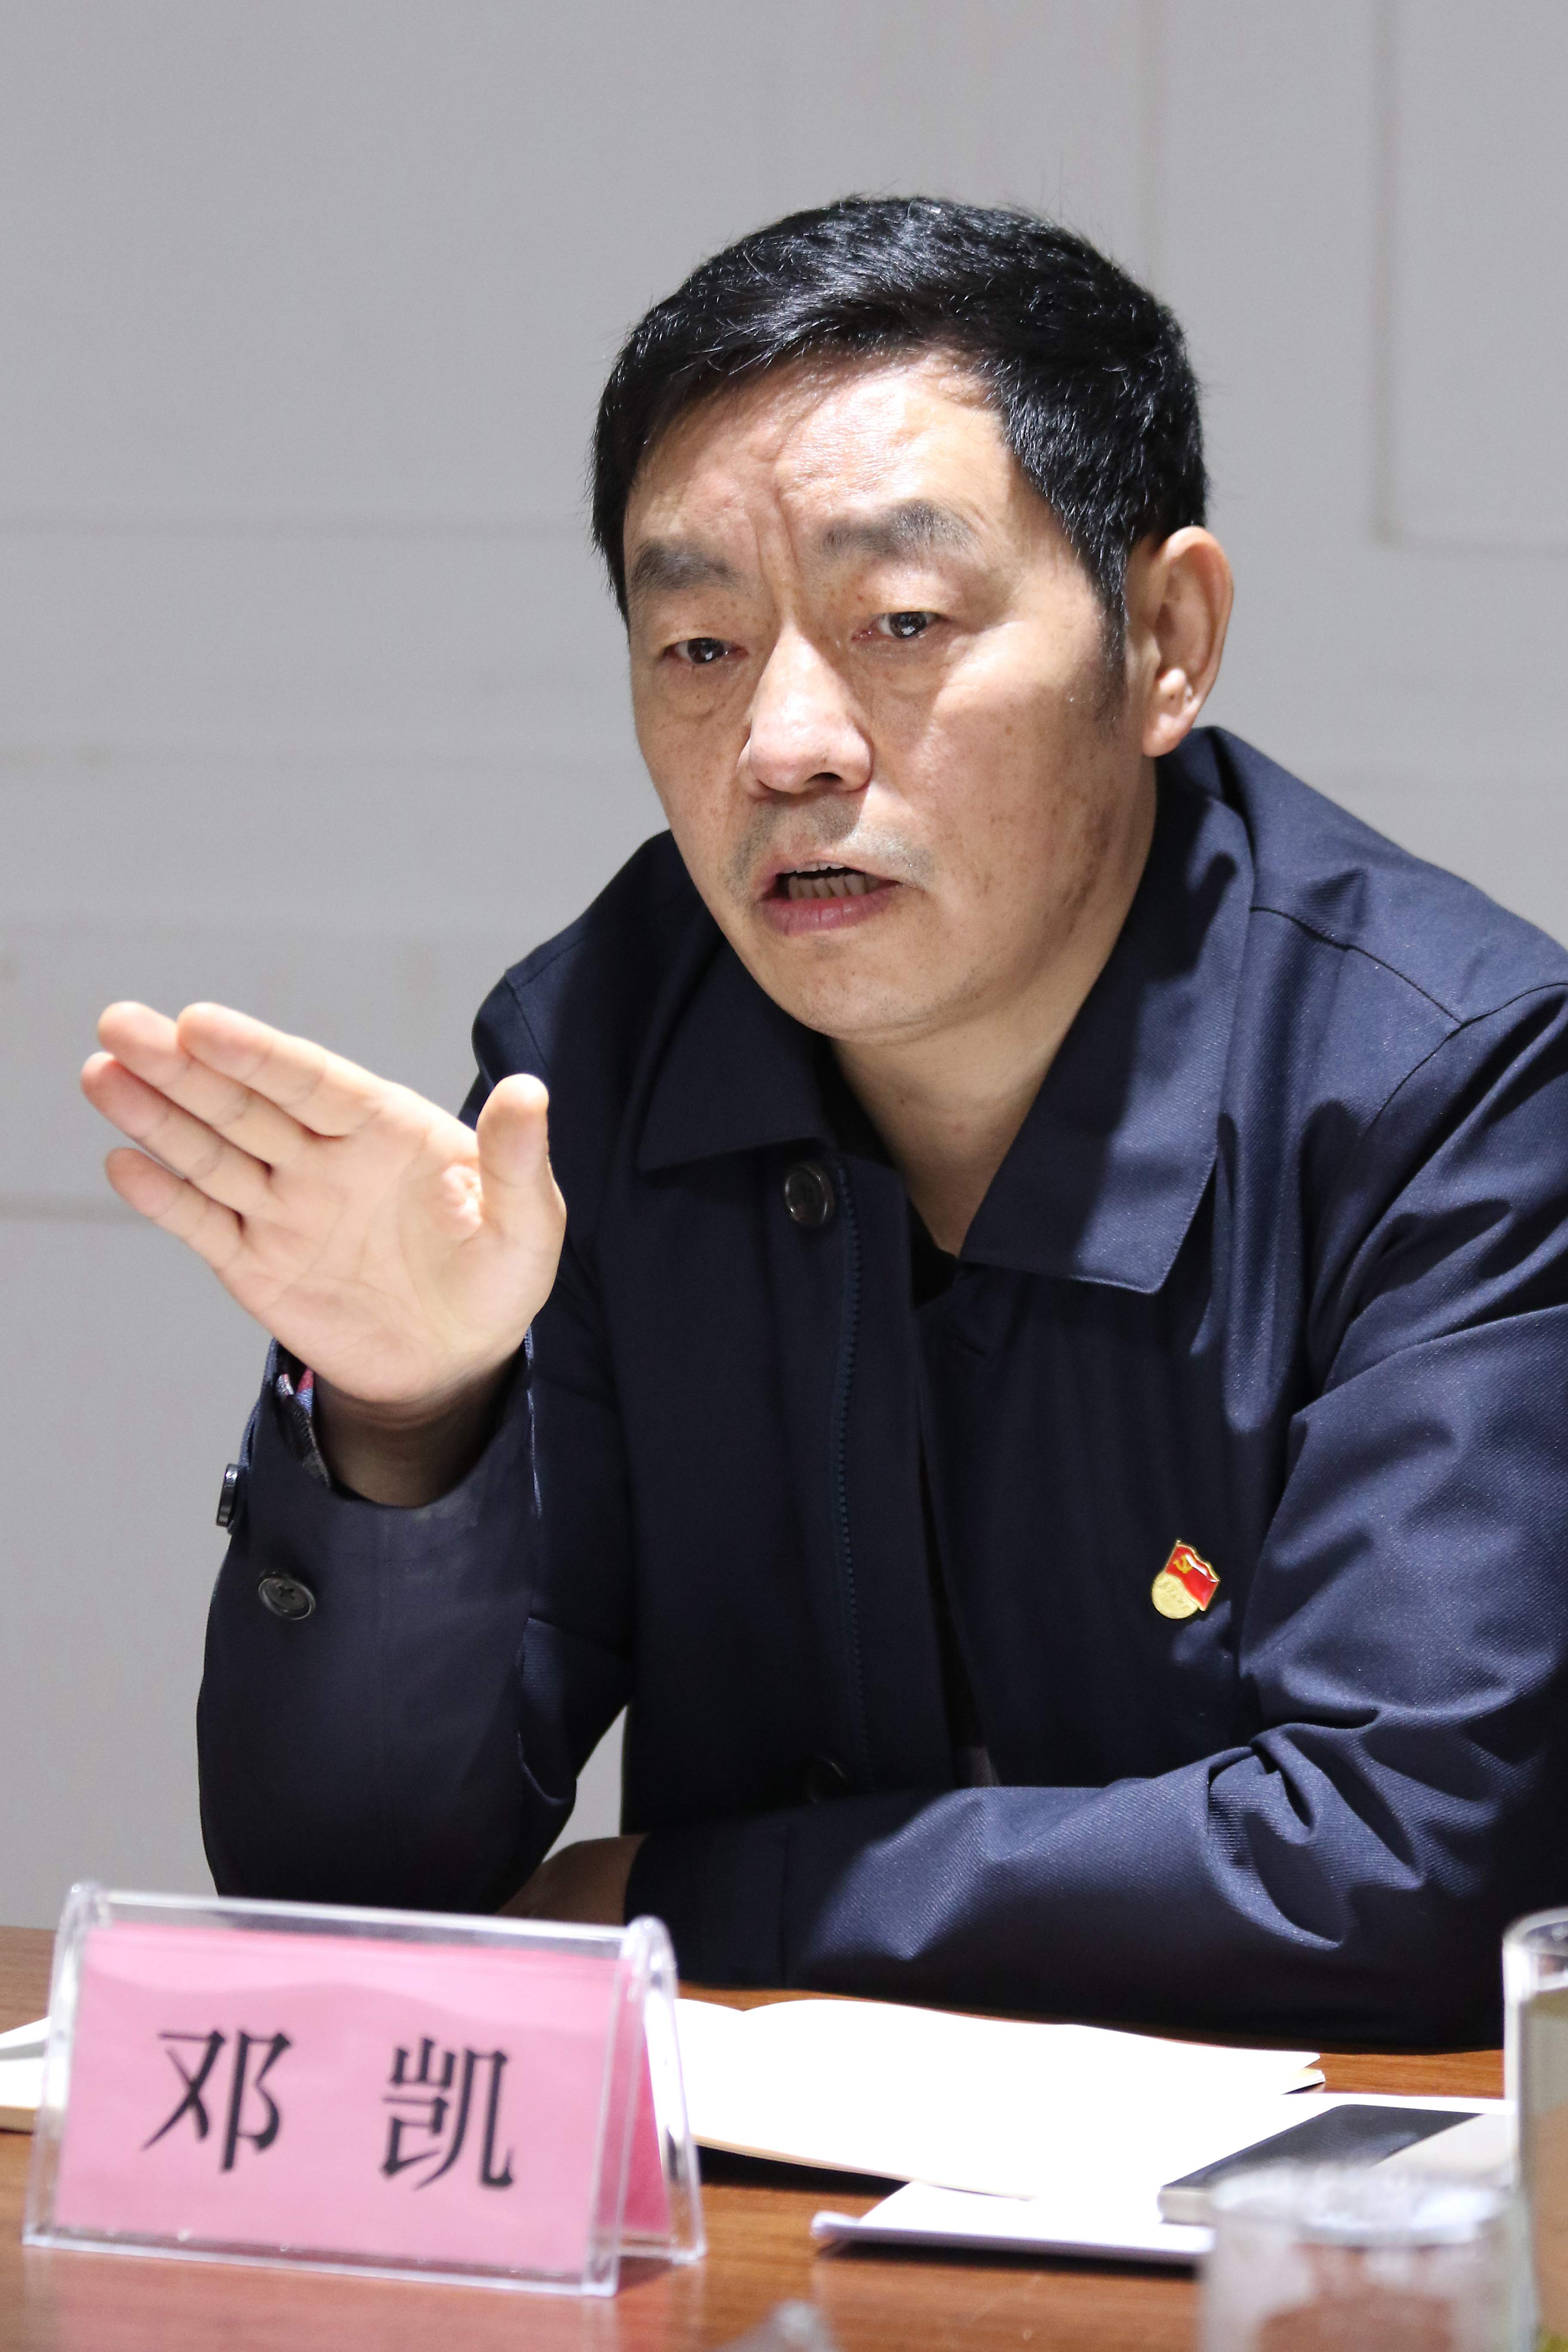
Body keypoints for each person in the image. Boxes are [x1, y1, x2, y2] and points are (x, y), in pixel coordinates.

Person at [83, 199, 1568, 2041]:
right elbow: (349, 1900)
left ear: (1167, 640)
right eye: (700, 645)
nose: (786, 744)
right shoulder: (593, 1057)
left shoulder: (1453, 1086)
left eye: (903, 622)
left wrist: (694, 1903)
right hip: (757, 2209)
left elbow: (1414, 1859)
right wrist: (405, 1427)